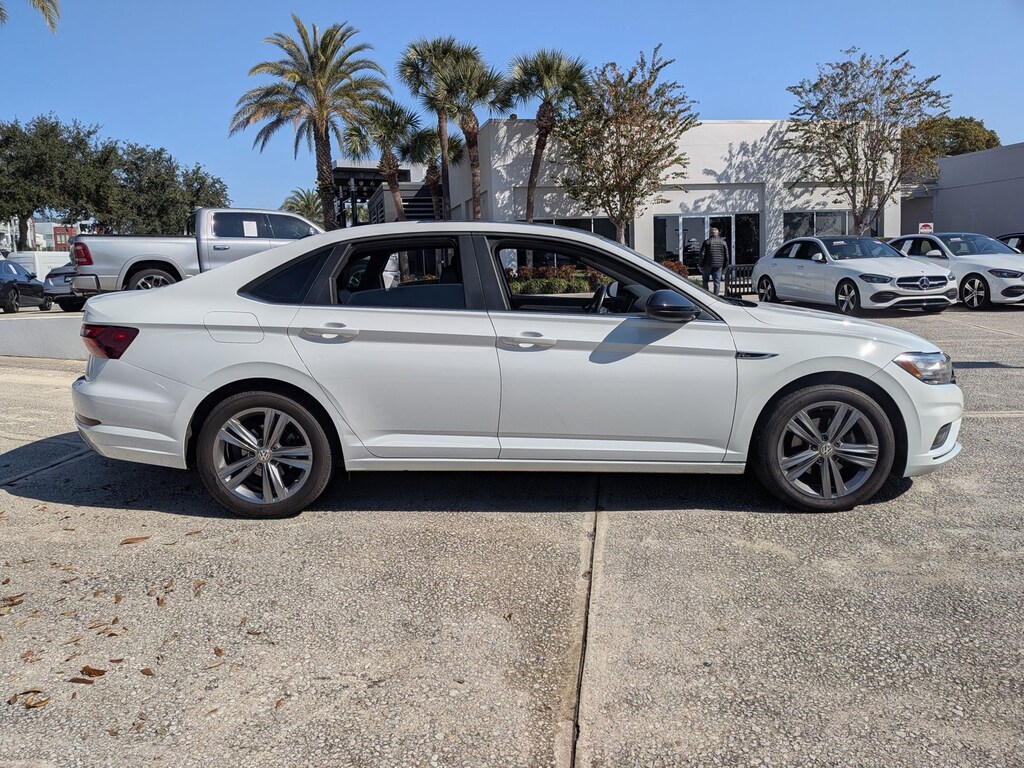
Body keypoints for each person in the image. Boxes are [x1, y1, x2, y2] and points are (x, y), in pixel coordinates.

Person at [700, 227, 729, 295]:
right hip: (719, 265)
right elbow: (726, 256)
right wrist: (725, 266)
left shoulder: (707, 242)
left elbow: (702, 254)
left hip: (707, 264)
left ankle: (706, 295)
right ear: (718, 233)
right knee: (717, 282)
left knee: (705, 281)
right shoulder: (723, 242)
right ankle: (716, 297)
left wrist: (701, 265)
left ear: (710, 233)